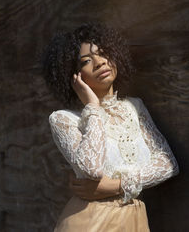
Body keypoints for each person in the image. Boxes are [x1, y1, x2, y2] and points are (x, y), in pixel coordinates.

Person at [42, 22, 179, 232]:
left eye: (104, 53)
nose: (99, 63)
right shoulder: (64, 120)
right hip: (90, 222)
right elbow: (92, 170)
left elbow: (168, 165)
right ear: (73, 75)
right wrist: (93, 108)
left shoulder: (135, 107)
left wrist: (117, 186)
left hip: (135, 220)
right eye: (86, 61)